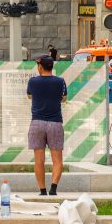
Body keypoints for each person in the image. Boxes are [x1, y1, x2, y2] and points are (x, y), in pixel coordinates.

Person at [27, 55, 68, 196]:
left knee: (39, 160)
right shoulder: (60, 81)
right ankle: (54, 188)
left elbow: (29, 96)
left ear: (40, 66)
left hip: (37, 123)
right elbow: (63, 98)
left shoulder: (33, 82)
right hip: (55, 123)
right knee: (57, 159)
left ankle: (42, 190)